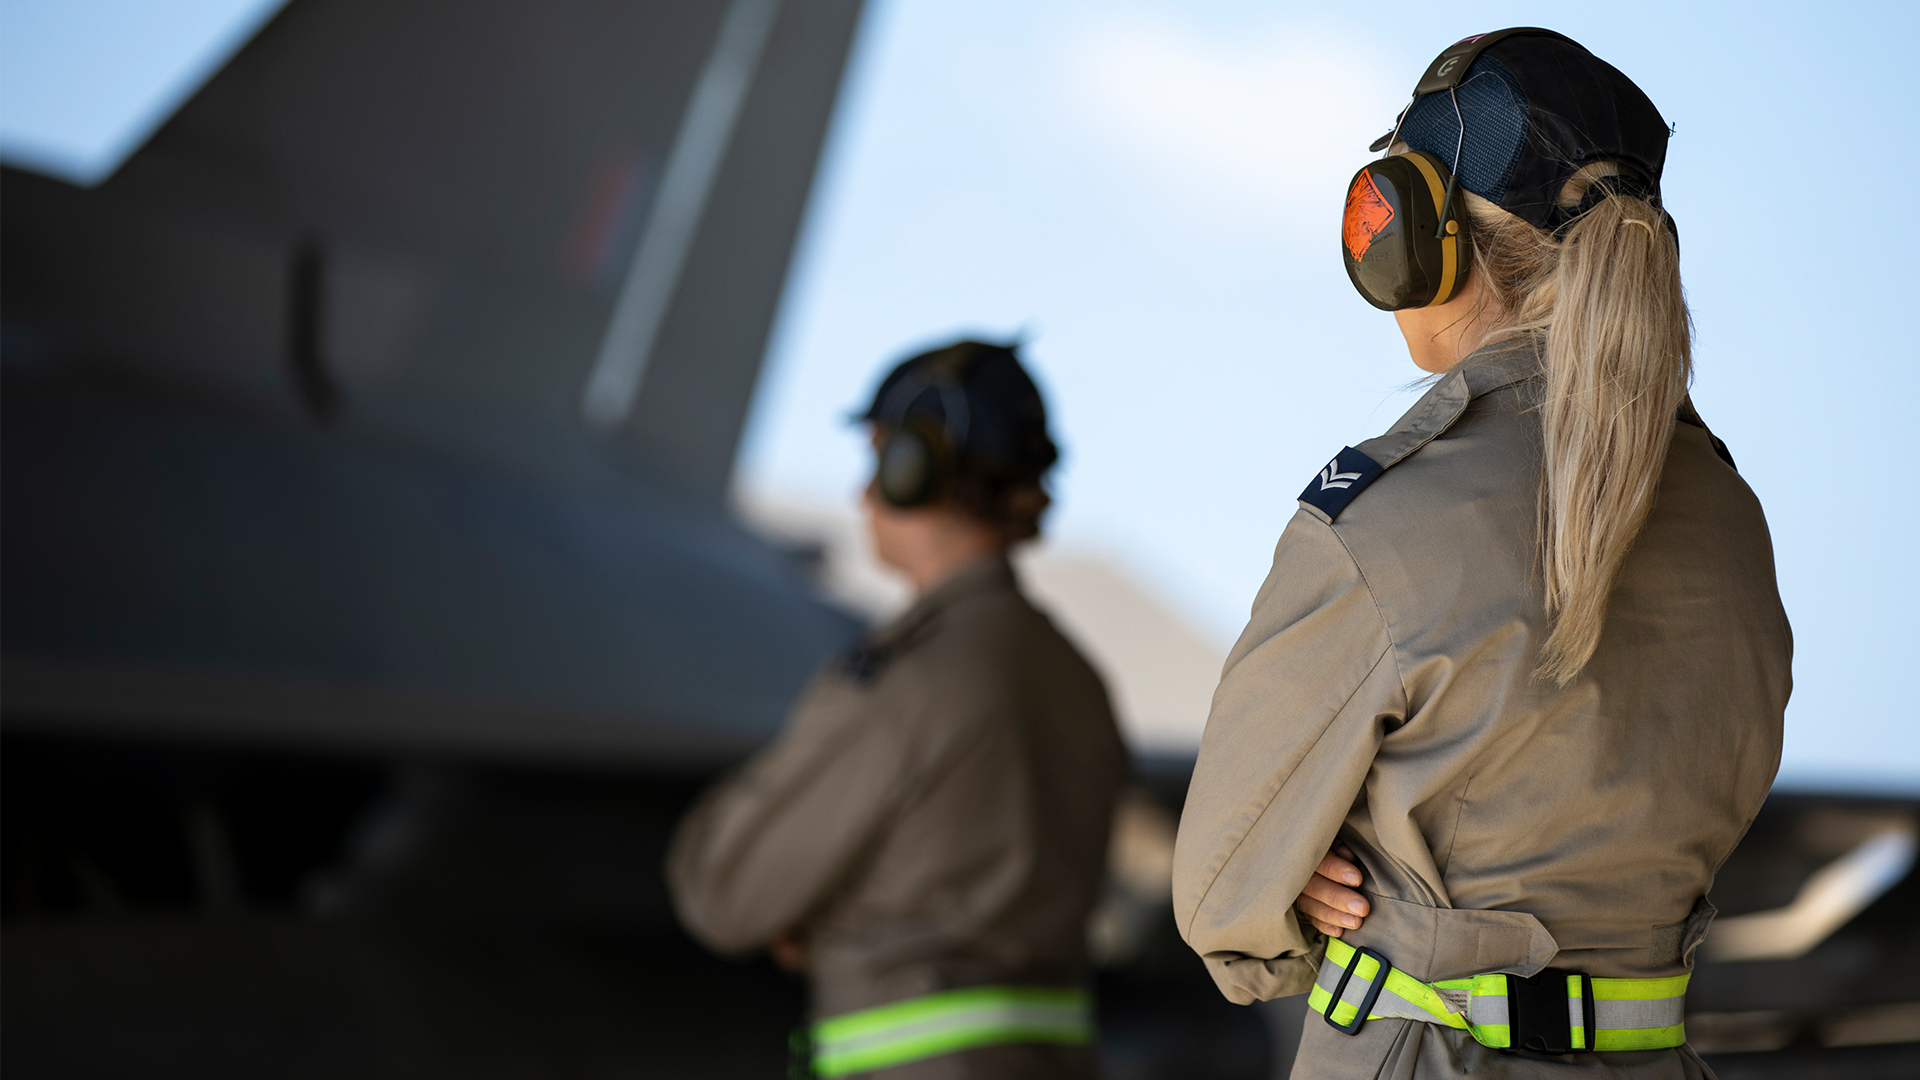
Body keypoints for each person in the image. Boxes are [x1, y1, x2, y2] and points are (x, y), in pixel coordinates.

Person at [1171, 29, 1791, 1079]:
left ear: (1421, 234)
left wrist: (1320, 878)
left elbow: (1224, 900)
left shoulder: (1380, 521)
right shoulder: (1734, 521)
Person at [668, 340, 1127, 1079]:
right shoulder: (1076, 679)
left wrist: (815, 917)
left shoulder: (913, 678)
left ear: (913, 469)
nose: (863, 493)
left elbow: (727, 891)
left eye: (877, 456)